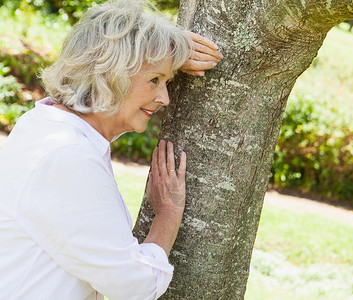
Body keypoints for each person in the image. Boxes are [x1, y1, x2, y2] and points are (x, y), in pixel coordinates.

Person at [0, 0, 222, 299]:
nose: (164, 98)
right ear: (109, 73)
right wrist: (168, 214)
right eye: (155, 80)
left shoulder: (46, 124)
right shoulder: (69, 155)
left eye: (167, 81)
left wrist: (166, 48)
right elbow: (135, 286)